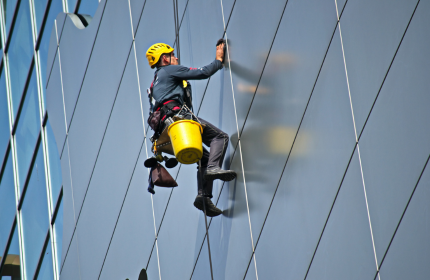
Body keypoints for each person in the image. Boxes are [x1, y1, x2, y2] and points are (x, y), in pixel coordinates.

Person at [146, 42, 236, 217]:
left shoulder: (154, 83)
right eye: (172, 55)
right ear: (165, 58)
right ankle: (213, 169)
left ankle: (203, 197)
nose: (176, 58)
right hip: (178, 120)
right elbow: (202, 72)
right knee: (220, 137)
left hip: (166, 134)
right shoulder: (169, 70)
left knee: (205, 158)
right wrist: (218, 60)